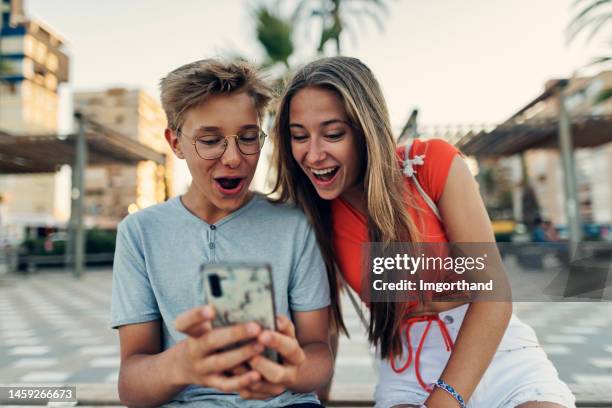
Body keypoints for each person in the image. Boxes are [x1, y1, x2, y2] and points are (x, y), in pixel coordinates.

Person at [271, 56, 576, 408]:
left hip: (498, 355)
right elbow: (324, 327)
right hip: (407, 369)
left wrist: (445, 400)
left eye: (333, 134)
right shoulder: (313, 215)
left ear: (366, 129)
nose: (313, 154)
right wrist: (315, 400)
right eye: (298, 136)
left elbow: (493, 296)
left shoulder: (429, 165)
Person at [110, 58, 333, 407]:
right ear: (176, 142)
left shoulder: (294, 226)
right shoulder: (140, 233)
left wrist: (289, 375)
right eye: (210, 140)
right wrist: (182, 365)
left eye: (247, 138)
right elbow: (132, 387)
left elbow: (319, 352)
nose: (233, 158)